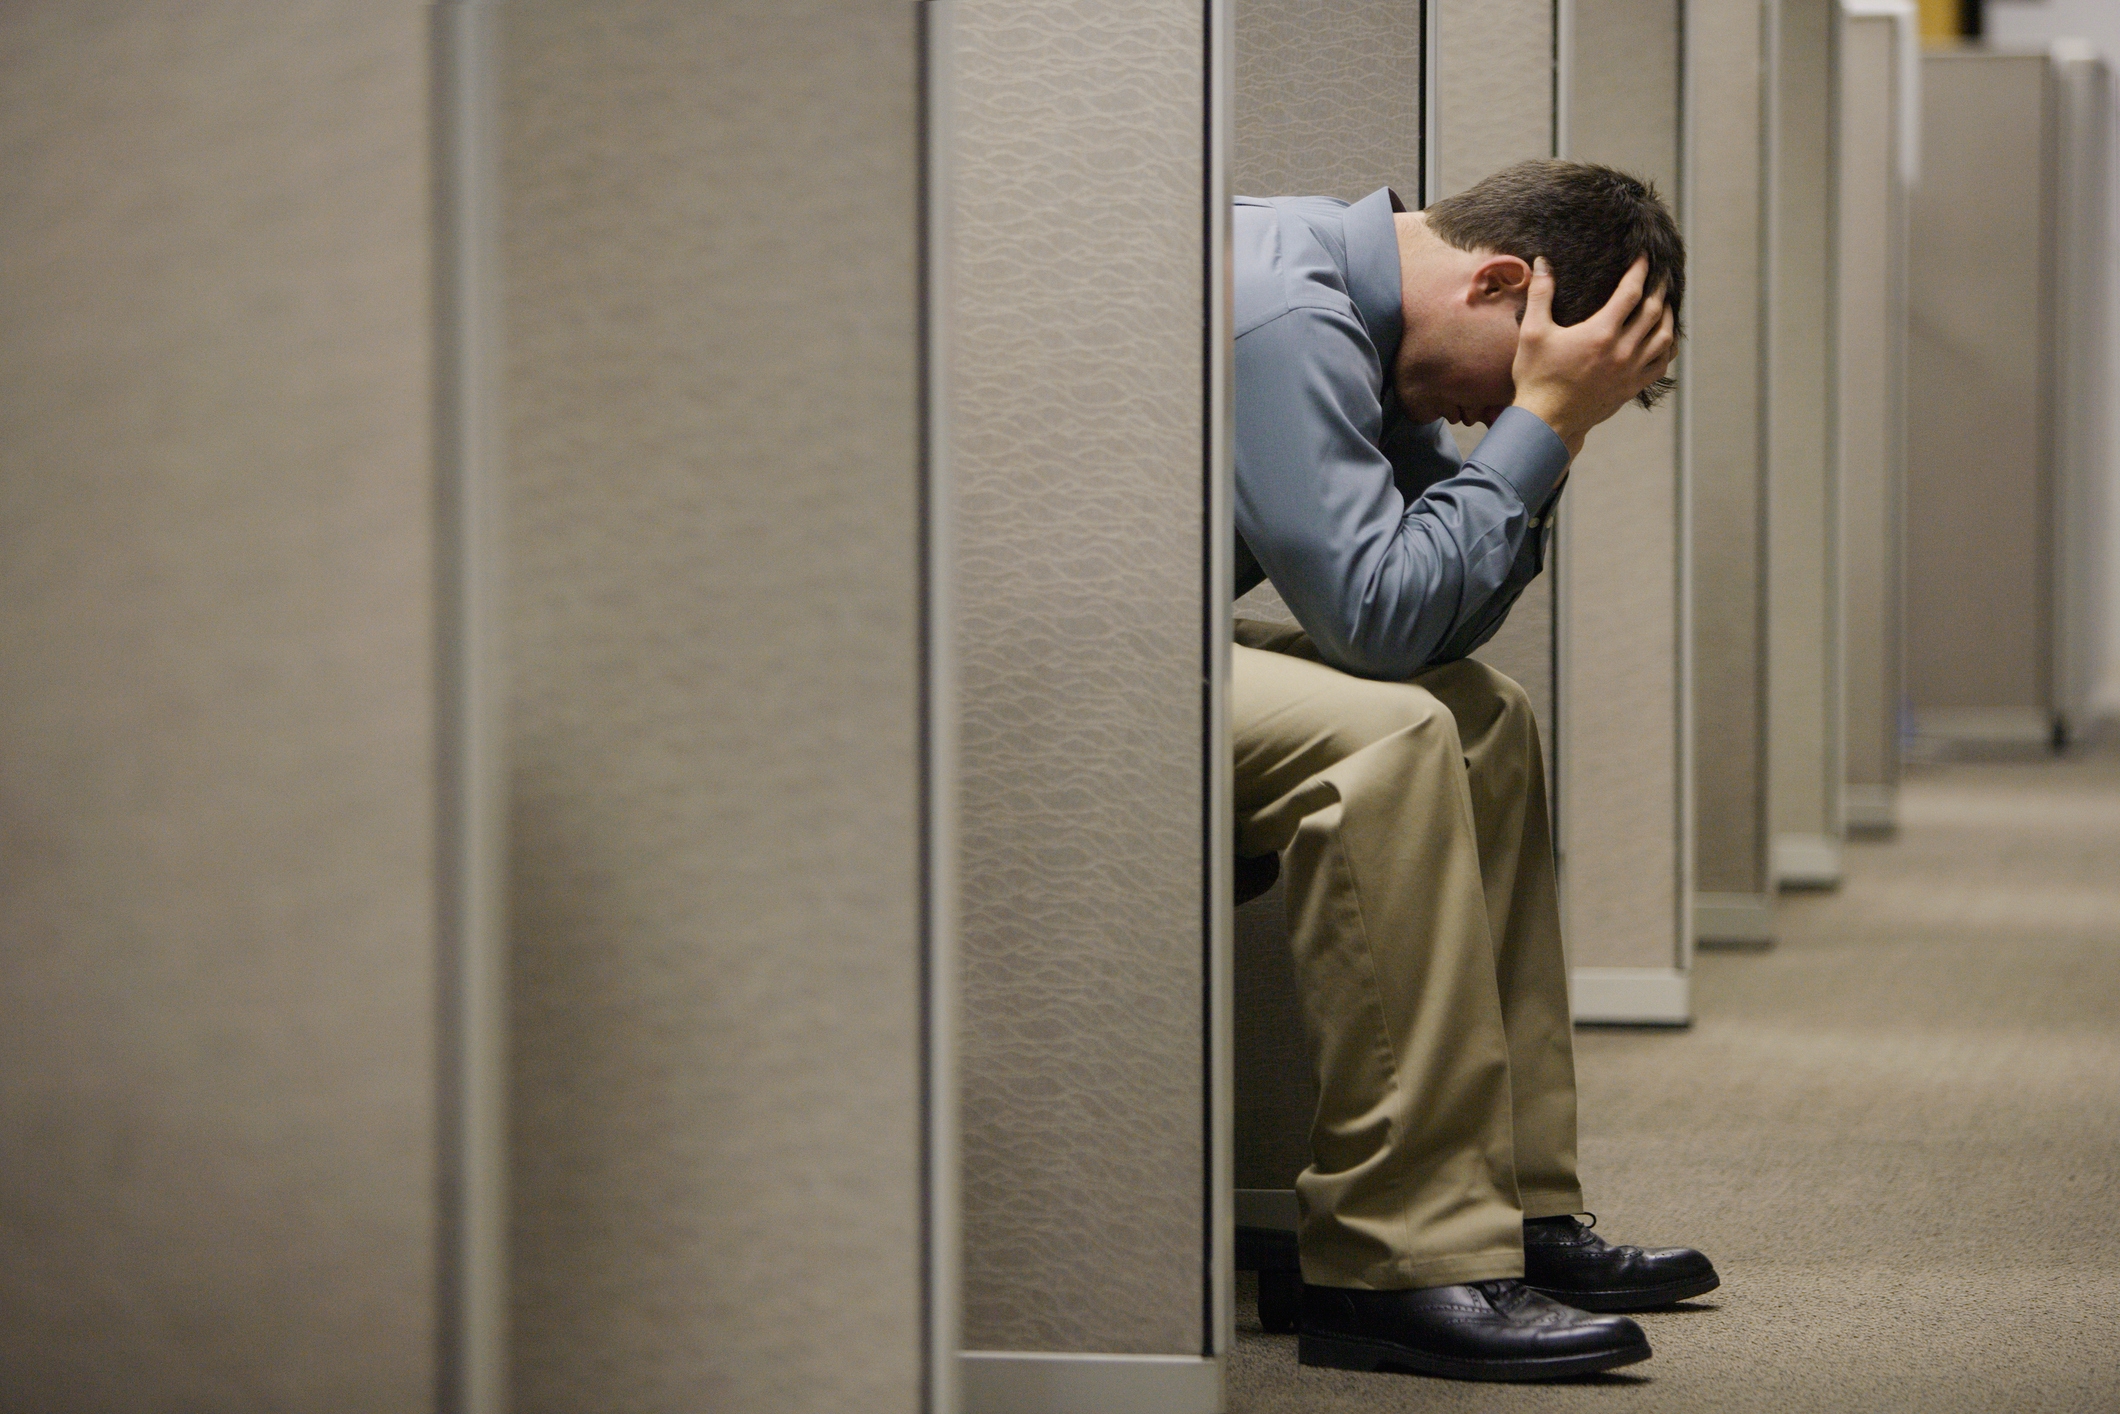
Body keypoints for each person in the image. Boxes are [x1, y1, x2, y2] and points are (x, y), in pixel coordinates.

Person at [1233, 158, 1717, 1382]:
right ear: (1501, 281)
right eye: (1509, 380)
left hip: (1144, 643)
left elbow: (1430, 623)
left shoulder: (1364, 317)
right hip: (1028, 670)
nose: (1479, 423)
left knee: (1479, 716)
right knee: (1389, 735)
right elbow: (1378, 619)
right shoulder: (1289, 316)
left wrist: (1539, 435)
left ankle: (1506, 1206)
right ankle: (1394, 1257)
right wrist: (1538, 433)